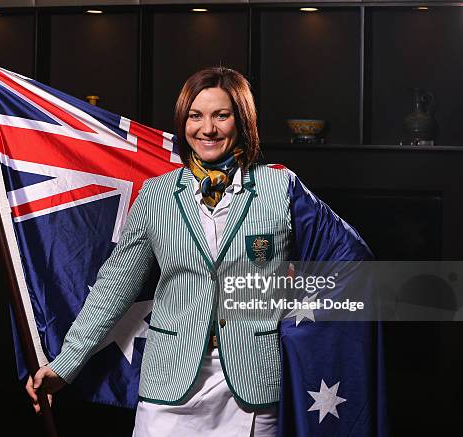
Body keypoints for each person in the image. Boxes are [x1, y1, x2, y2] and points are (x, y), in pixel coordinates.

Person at [26, 67, 373, 436]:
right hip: (169, 386)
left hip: (253, 383)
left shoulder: (280, 187)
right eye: (196, 116)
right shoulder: (156, 195)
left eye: (221, 115)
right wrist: (65, 365)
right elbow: (114, 288)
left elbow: (352, 257)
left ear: (242, 120)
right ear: (183, 121)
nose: (207, 129)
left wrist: (296, 297)